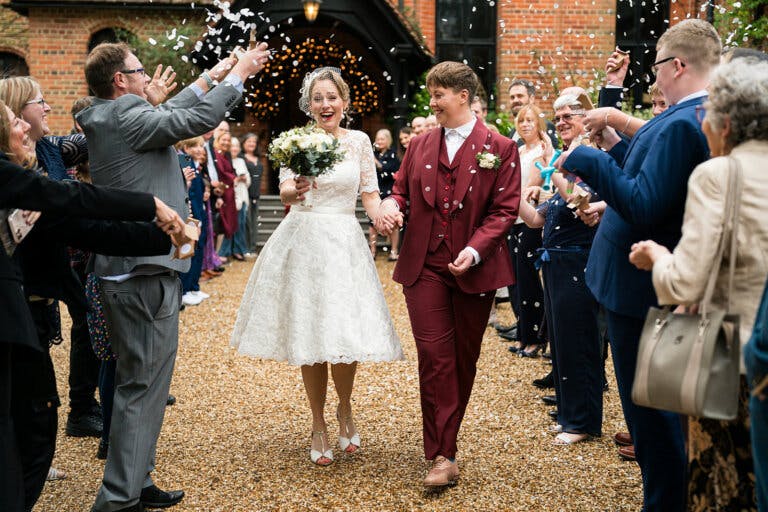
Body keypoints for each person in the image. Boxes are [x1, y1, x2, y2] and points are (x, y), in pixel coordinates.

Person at [77, 40, 269, 512]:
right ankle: (118, 498)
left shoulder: (111, 115)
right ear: (120, 80)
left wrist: (211, 75)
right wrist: (239, 75)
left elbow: (169, 114)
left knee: (143, 385)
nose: (147, 77)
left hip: (134, 270)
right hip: (142, 272)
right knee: (142, 387)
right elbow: (192, 121)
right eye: (139, 71)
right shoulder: (127, 115)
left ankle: (136, 479)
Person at [555, 19, 722, 511]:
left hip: (642, 294)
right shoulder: (698, 115)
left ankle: (665, 502)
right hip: (660, 287)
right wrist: (613, 143)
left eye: (657, 68)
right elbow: (654, 176)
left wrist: (586, 158)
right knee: (671, 412)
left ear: (678, 65)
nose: (655, 79)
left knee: (656, 420)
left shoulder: (683, 122)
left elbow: (644, 203)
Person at [0, 100, 181, 512]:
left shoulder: (25, 185)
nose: (25, 128)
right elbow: (74, 197)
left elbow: (87, 229)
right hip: (12, 322)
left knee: (36, 427)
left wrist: (164, 238)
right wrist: (150, 204)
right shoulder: (15, 179)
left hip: (27, 322)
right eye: (15, 122)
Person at [231, 67, 403, 467]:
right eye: (318, 98)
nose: (326, 104)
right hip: (305, 239)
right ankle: (318, 422)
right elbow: (284, 190)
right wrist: (297, 188)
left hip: (343, 241)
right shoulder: (295, 140)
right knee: (310, 331)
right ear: (309, 105)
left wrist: (382, 216)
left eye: (332, 97)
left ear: (344, 101)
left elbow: (370, 195)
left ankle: (345, 407)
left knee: (343, 329)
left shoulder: (359, 142)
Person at [629, 56, 768, 511]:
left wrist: (656, 256)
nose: (702, 124)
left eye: (707, 114)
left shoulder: (718, 175)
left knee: (723, 490)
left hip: (732, 361)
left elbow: (684, 283)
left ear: (726, 122)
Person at [377, 61, 520, 487]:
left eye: (438, 95)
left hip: (475, 270)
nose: (433, 103)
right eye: (431, 95)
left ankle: (446, 444)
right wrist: (391, 206)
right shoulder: (420, 144)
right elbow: (401, 191)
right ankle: (443, 454)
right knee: (434, 355)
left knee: (462, 359)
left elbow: (504, 210)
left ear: (463, 96)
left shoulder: (500, 147)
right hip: (424, 266)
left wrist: (474, 251)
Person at [0, 76, 104, 440]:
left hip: (54, 272)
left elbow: (102, 137)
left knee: (39, 378)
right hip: (18, 287)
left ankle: (43, 444)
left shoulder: (52, 148)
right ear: (17, 109)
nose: (47, 107)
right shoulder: (9, 167)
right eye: (39, 101)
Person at [517, 172, 603, 445]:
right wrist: (510, 191)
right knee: (561, 343)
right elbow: (534, 220)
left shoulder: (591, 184)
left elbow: (581, 206)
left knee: (577, 342)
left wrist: (554, 173)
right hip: (555, 266)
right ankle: (568, 414)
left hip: (577, 265)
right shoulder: (565, 186)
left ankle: (581, 421)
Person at [503, 104, 552, 356]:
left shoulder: (542, 151)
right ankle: (523, 335)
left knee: (529, 279)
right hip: (514, 218)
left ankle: (537, 337)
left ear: (539, 124)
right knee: (517, 278)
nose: (525, 125)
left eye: (530, 120)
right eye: (521, 120)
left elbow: (531, 185)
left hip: (531, 218)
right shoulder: (518, 150)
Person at [369, 128, 400, 260]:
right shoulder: (374, 154)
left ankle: (393, 251)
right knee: (372, 222)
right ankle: (372, 251)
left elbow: (389, 170)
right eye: (377, 139)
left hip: (388, 192)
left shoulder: (394, 154)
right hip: (375, 191)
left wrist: (375, 162)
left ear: (388, 140)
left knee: (391, 222)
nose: (379, 141)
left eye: (382, 139)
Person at [218, 135, 250, 261]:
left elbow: (248, 180)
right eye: (233, 146)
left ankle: (238, 250)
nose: (235, 148)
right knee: (229, 224)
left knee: (240, 224)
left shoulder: (241, 161)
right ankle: (224, 252)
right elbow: (226, 179)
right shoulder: (225, 159)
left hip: (242, 196)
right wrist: (236, 179)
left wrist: (244, 179)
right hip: (230, 197)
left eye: (237, 146)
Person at [507, 79, 558, 148]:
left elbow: (551, 153)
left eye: (520, 96)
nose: (515, 100)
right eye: (512, 97)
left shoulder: (544, 125)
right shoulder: (513, 131)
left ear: (531, 99)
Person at [240, 133, 263, 254]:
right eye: (249, 141)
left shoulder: (258, 158)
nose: (252, 144)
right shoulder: (241, 158)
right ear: (243, 143)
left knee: (254, 223)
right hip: (245, 195)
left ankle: (253, 248)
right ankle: (246, 248)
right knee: (246, 223)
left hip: (256, 195)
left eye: (254, 142)